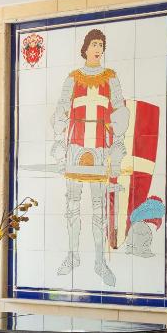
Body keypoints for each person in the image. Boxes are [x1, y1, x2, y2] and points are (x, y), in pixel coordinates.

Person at [51, 29, 129, 286]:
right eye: (94, 44)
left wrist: (117, 145)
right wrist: (58, 144)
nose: (98, 49)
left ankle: (99, 261)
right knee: (72, 205)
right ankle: (72, 256)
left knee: (99, 207)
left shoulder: (111, 78)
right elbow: (62, 109)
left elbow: (119, 110)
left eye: (101, 45)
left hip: (100, 148)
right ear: (85, 48)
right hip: (75, 146)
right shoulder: (73, 78)